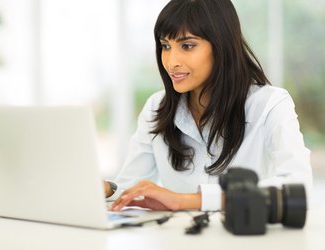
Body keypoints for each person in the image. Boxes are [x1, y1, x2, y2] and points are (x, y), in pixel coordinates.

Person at [104, 0, 313, 212]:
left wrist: (189, 201)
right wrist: (107, 189)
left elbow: (297, 186)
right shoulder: (156, 107)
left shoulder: (270, 104)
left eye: (187, 46)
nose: (171, 61)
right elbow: (130, 188)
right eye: (166, 46)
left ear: (222, 46)